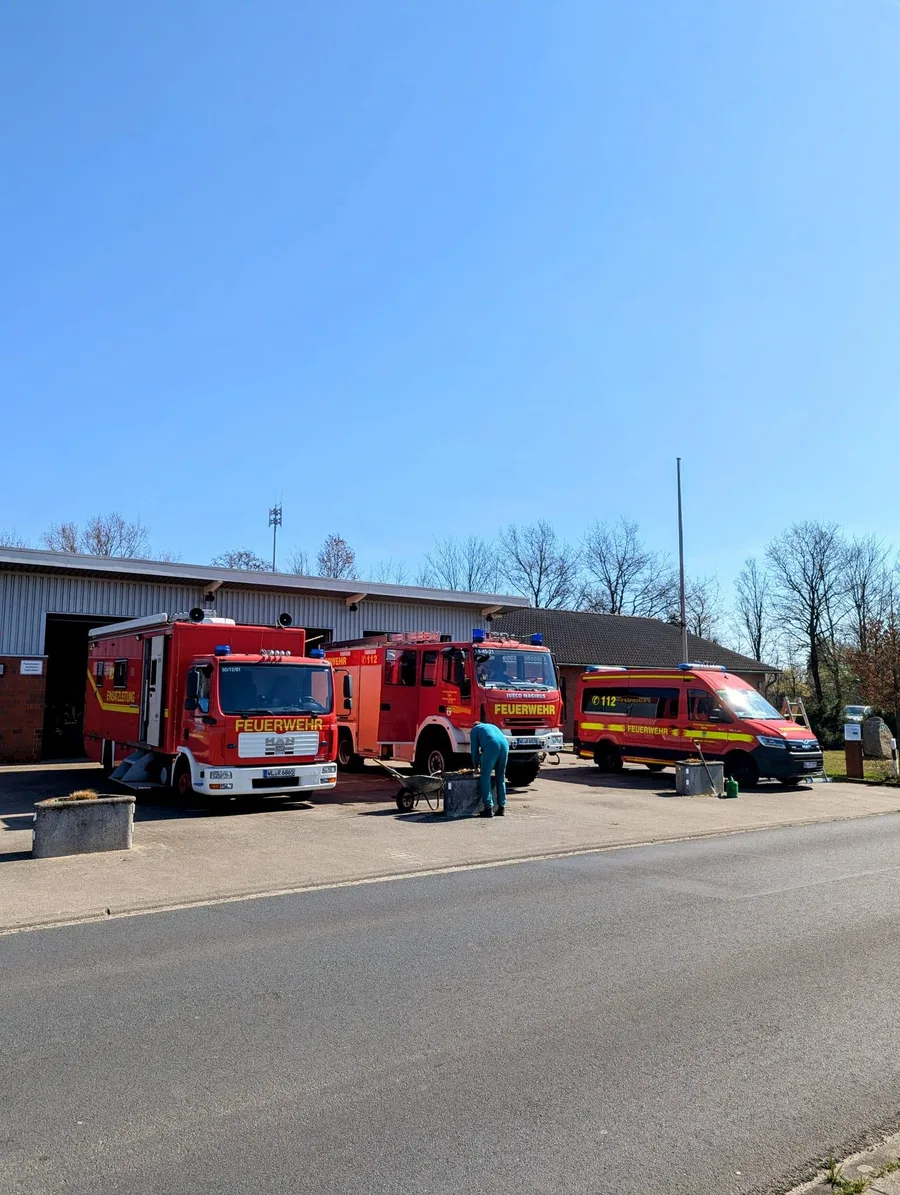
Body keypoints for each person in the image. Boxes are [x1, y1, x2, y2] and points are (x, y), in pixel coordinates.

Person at [470, 721, 509, 817]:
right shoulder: (492, 726)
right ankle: (501, 808)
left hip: (492, 745)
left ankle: (488, 808)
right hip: (505, 745)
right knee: (500, 777)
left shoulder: (474, 730)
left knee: (485, 776)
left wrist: (476, 765)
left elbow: (474, 750)